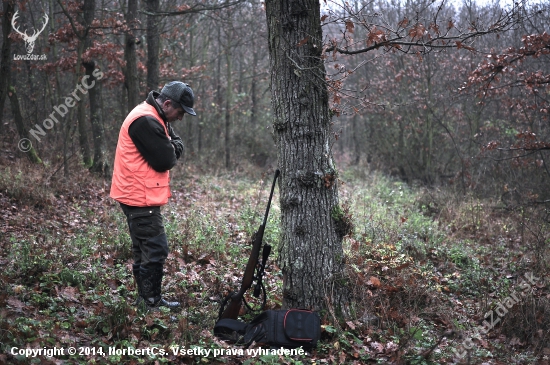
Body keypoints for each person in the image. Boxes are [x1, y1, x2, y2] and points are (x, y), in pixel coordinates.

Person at [110, 81, 196, 310]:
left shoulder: (156, 116)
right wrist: (171, 146)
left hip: (137, 193)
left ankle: (146, 300)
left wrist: (171, 144)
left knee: (144, 249)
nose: (180, 119)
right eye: (180, 112)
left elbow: (175, 144)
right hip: (138, 196)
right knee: (156, 249)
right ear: (167, 103)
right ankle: (151, 303)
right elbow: (166, 160)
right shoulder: (146, 121)